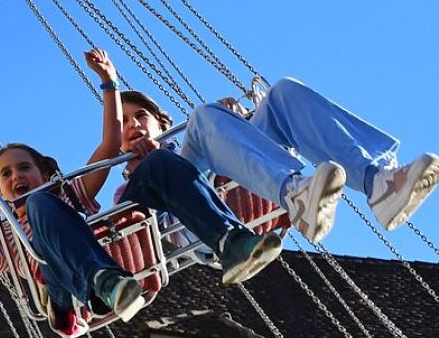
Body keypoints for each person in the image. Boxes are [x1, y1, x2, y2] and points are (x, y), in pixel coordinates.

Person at [0, 49, 283, 331]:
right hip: (61, 275)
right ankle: (79, 293)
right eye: (7, 174)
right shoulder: (1, 237)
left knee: (155, 164)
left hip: (89, 257)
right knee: (40, 210)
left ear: (46, 172)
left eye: (25, 168)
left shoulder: (65, 197)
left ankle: (228, 241)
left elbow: (110, 144)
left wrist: (110, 82)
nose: (17, 177)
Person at [119, 81, 439, 243]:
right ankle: (293, 194)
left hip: (228, 176)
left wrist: (234, 123)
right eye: (123, 122)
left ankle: (377, 182)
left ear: (162, 124)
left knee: (282, 94)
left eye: (140, 116)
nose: (132, 125)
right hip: (194, 222)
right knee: (203, 118)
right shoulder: (126, 189)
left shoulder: (188, 138)